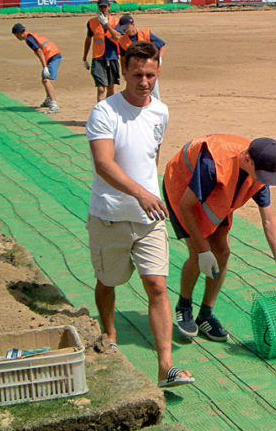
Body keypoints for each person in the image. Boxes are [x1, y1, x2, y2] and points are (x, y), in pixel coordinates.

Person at [86, 41, 193, 389]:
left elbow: (152, 156)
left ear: (158, 72)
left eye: (150, 74)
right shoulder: (104, 111)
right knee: (108, 282)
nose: (143, 81)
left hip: (149, 220)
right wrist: (142, 193)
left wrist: (151, 196)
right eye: (136, 75)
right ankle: (109, 334)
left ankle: (166, 366)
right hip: (109, 216)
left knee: (157, 285)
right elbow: (104, 163)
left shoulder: (160, 111)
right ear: (124, 72)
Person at [163, 135, 276, 342]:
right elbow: (186, 207)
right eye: (262, 174)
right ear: (247, 159)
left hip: (219, 192)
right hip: (183, 186)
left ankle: (205, 315)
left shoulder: (260, 168)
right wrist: (203, 250)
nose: (264, 180)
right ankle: (184, 306)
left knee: (222, 251)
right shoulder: (213, 164)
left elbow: (268, 219)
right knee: (196, 253)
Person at [11, 23, 61, 114]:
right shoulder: (31, 35)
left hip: (53, 56)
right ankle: (48, 99)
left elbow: (39, 51)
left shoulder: (29, 39)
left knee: (46, 80)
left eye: (15, 35)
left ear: (18, 33)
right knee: (44, 79)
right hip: (53, 54)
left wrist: (45, 66)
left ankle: (54, 105)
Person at [114, 14, 166, 100]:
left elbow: (162, 45)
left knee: (154, 94)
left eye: (127, 27)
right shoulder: (122, 41)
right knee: (137, 93)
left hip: (149, 70)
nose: (125, 30)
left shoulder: (145, 33)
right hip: (135, 72)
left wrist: (159, 58)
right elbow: (123, 58)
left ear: (133, 24)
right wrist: (124, 71)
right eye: (123, 28)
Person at [83, 0, 121, 102]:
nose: (103, 9)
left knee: (111, 87)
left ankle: (108, 112)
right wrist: (84, 57)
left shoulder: (116, 21)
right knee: (100, 89)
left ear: (109, 7)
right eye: (101, 7)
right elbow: (88, 39)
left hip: (112, 56)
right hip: (98, 57)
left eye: (105, 6)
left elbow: (117, 36)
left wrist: (106, 24)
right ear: (98, 8)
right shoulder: (91, 22)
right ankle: (100, 113)